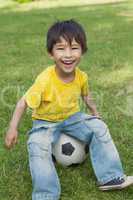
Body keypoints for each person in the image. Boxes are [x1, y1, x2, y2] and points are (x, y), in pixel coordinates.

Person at [5, 19, 133, 200]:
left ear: (83, 51)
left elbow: (86, 95)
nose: (68, 54)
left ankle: (110, 177)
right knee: (37, 145)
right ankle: (46, 194)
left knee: (99, 128)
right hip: (45, 122)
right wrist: (12, 127)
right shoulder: (45, 80)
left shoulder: (81, 76)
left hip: (72, 117)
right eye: (61, 48)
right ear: (51, 53)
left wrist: (95, 113)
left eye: (74, 48)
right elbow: (22, 102)